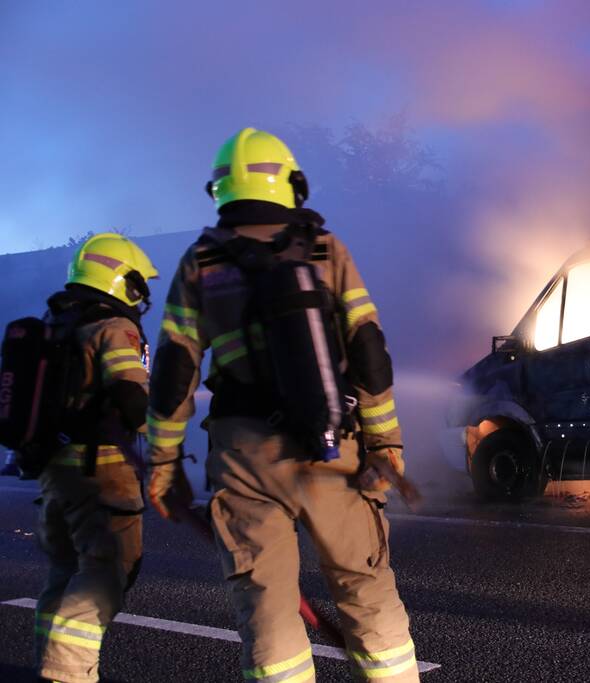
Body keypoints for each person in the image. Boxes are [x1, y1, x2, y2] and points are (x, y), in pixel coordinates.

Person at [146, 127, 419, 682]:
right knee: (365, 591)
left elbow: (174, 374)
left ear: (220, 189)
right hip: (334, 447)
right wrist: (386, 443)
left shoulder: (201, 262)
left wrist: (163, 465)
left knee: (268, 607)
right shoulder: (325, 249)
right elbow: (368, 350)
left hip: (246, 458)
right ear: (292, 184)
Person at [34, 233, 157, 683]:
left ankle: (49, 667)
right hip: (101, 472)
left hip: (55, 470)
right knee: (106, 572)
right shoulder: (113, 328)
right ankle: (67, 675)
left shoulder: (56, 324)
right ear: (121, 280)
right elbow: (131, 395)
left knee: (65, 570)